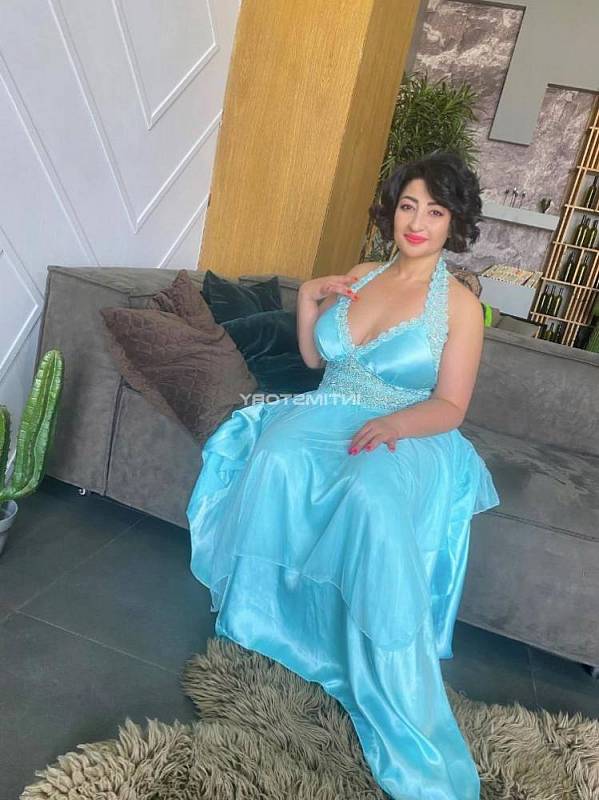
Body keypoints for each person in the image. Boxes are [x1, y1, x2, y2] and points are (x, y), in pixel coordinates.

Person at [186, 150, 501, 800]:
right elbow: (314, 359)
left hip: (410, 427)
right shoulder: (360, 274)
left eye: (434, 211)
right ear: (392, 211)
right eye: (408, 206)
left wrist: (394, 425)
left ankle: (374, 661)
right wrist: (307, 298)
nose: (417, 222)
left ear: (454, 223)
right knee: (274, 455)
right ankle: (266, 621)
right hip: (326, 407)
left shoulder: (460, 307)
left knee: (368, 492)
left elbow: (450, 406)